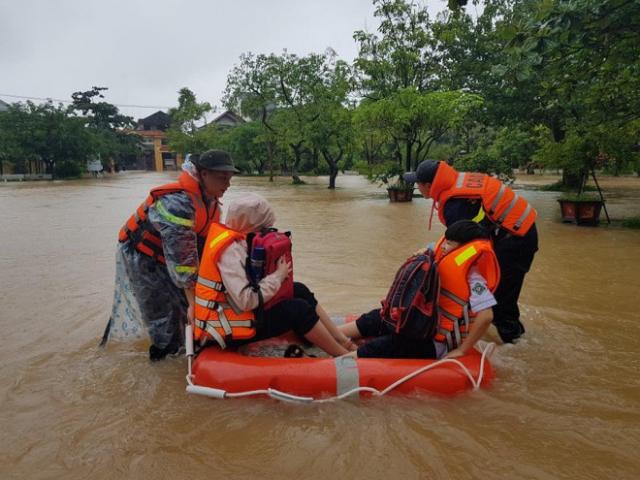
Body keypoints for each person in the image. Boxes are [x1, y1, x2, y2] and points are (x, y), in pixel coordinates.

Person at [102, 150, 238, 360]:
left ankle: (186, 346)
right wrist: (194, 304)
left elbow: (206, 248)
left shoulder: (210, 201)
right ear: (203, 174)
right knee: (164, 317)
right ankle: (163, 361)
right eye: (222, 178)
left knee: (184, 309)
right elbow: (183, 262)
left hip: (173, 258)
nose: (227, 184)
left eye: (230, 178)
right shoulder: (177, 204)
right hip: (144, 256)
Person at [193, 193, 355, 357]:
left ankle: (340, 339)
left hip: (233, 311)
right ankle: (344, 356)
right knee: (297, 309)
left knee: (298, 290)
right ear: (250, 225)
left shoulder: (237, 238)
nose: (265, 234)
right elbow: (247, 300)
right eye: (262, 229)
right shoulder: (230, 251)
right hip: (226, 326)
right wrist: (278, 275)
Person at [403, 160, 538, 343]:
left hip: (516, 240)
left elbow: (461, 245)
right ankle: (507, 335)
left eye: (417, 183)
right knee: (498, 294)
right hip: (514, 232)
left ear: (428, 185)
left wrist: (436, 254)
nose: (416, 187)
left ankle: (515, 348)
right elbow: (464, 238)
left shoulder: (455, 204)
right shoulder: (456, 186)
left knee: (500, 302)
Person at [339, 220, 500, 359]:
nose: (444, 245)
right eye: (445, 240)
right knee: (375, 318)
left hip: (437, 343)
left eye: (450, 243)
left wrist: (461, 350)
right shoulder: (441, 256)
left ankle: (335, 362)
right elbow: (431, 249)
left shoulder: (475, 279)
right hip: (422, 327)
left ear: (466, 247)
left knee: (389, 345)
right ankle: (331, 336)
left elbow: (487, 316)